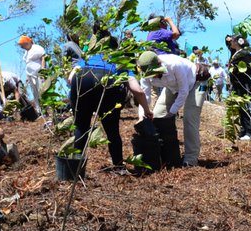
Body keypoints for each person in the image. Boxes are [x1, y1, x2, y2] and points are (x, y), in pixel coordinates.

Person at [71, 34, 151, 171]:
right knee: (112, 131)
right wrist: (147, 110)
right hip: (108, 82)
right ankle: (119, 166)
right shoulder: (120, 62)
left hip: (82, 79)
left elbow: (70, 78)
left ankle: (74, 169)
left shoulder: (87, 58)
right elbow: (138, 90)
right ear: (116, 48)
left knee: (81, 127)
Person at [137, 49, 198, 168]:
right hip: (172, 87)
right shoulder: (145, 73)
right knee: (158, 115)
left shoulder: (174, 64)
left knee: (189, 119)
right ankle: (165, 155)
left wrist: (172, 111)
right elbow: (145, 95)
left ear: (159, 64)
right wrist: (142, 115)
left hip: (195, 82)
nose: (153, 76)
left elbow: (184, 91)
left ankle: (191, 159)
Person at [226, 34, 251, 142]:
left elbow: (250, 68)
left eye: (232, 41)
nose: (230, 43)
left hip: (244, 84)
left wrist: (236, 69)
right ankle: (245, 130)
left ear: (237, 42)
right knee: (240, 108)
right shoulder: (234, 54)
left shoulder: (245, 54)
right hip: (236, 84)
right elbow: (228, 46)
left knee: (248, 107)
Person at [17, 35, 46, 111]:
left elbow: (43, 57)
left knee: (42, 91)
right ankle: (38, 110)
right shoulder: (26, 53)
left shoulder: (37, 48)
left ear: (27, 43)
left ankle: (45, 109)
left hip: (39, 74)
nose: (22, 47)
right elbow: (27, 65)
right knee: (35, 93)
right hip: (31, 75)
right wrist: (27, 76)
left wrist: (43, 70)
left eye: (22, 45)